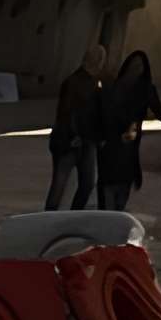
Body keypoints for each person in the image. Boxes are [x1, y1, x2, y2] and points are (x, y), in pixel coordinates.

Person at [88, 49, 161, 218]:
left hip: (130, 141)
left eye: (139, 66)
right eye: (133, 65)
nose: (136, 70)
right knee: (108, 180)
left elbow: (159, 111)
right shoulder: (113, 87)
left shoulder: (145, 89)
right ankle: (106, 217)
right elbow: (100, 113)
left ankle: (115, 216)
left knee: (124, 179)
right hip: (110, 140)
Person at [43, 47, 103, 212]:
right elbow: (65, 112)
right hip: (69, 141)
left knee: (86, 184)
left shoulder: (94, 81)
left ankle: (70, 215)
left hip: (85, 139)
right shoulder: (74, 82)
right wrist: (73, 134)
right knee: (60, 185)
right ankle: (50, 218)